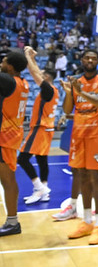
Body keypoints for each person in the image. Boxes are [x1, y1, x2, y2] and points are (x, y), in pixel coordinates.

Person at [60, 48, 98, 245]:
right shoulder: (76, 80)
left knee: (96, 176)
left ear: (97, 61)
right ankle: (87, 222)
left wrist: (81, 92)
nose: (90, 60)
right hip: (79, 134)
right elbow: (68, 111)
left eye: (94, 57)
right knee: (81, 175)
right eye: (87, 57)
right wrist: (70, 92)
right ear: (82, 60)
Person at [18, 47, 59, 204]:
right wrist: (33, 58)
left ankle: (39, 187)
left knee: (22, 159)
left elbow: (34, 73)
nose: (39, 73)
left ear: (47, 77)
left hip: (40, 128)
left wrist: (27, 55)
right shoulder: (52, 89)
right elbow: (36, 71)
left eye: (43, 74)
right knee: (42, 160)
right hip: (47, 128)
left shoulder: (48, 89)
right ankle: (45, 191)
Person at [0, 51, 29, 236]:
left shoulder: (8, 81)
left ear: (10, 66)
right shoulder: (22, 83)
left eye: (3, 61)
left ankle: (13, 222)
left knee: (8, 180)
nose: (1, 63)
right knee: (7, 179)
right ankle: (12, 221)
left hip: (5, 138)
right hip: (11, 135)